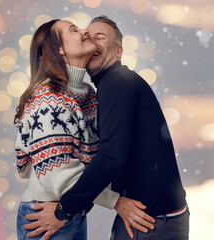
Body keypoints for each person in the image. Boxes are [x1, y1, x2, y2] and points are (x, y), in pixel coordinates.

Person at [14, 19, 154, 240]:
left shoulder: (86, 93)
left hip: (71, 211)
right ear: (59, 49)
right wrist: (115, 201)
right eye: (74, 30)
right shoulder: (49, 100)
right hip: (45, 214)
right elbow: (57, 174)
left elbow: (103, 152)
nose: (84, 32)